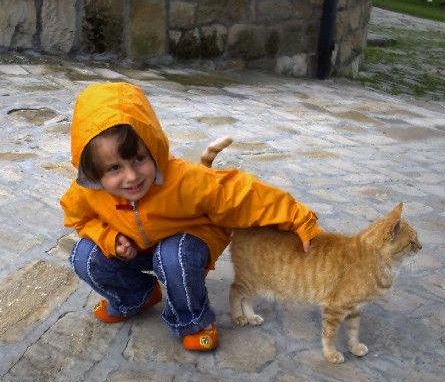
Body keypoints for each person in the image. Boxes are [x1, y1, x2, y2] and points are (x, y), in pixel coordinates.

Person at [60, 82, 322, 352]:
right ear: (94, 172)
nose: (131, 176)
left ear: (154, 147)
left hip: (191, 239)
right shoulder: (87, 192)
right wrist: (109, 238)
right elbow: (79, 219)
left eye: (139, 159)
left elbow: (244, 195)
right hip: (137, 246)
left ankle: (193, 321)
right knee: (84, 256)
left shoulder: (184, 179)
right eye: (114, 168)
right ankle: (135, 296)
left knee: (174, 257)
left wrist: (301, 220)